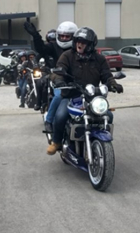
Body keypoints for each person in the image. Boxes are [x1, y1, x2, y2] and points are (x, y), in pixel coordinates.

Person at [46, 27, 123, 155]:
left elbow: (107, 75)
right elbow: (58, 70)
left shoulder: (99, 59)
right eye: (77, 41)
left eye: (83, 42)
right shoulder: (67, 56)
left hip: (91, 97)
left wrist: (113, 84)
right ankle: (56, 142)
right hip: (71, 95)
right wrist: (59, 80)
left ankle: (100, 142)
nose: (79, 44)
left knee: (108, 116)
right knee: (60, 116)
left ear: (91, 44)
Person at [24, 21, 78, 132]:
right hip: (57, 77)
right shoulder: (53, 46)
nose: (63, 38)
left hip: (75, 78)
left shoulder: (78, 47)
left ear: (74, 36)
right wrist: (36, 36)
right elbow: (41, 49)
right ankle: (48, 120)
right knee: (58, 95)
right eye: (61, 36)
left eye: (67, 36)